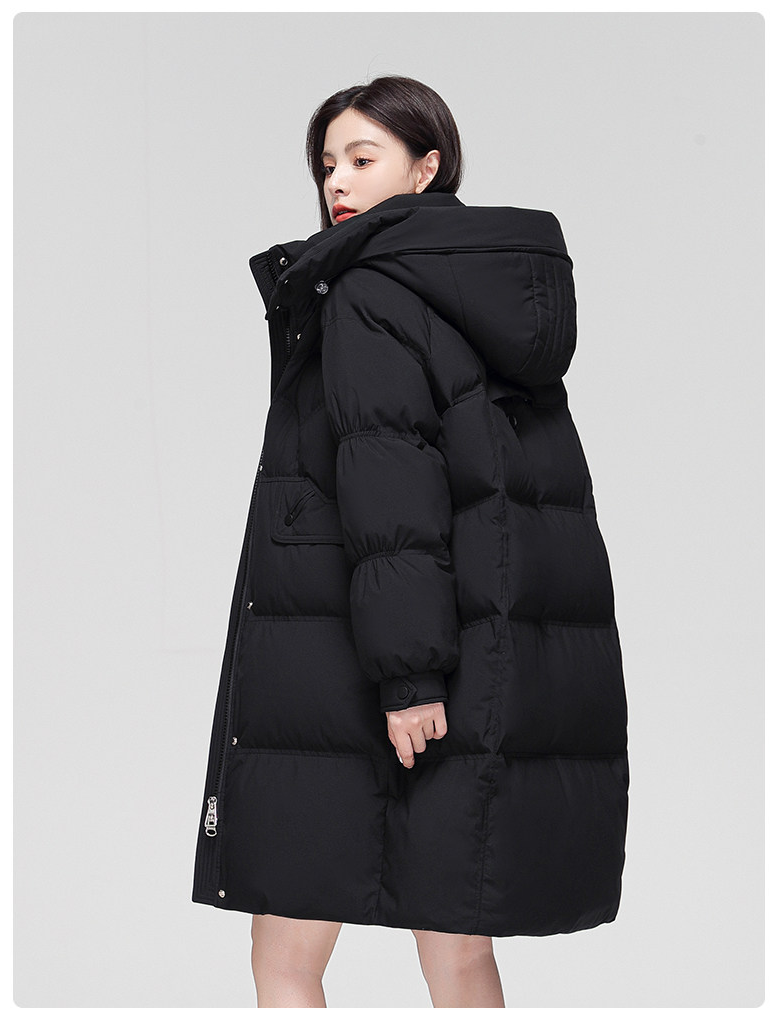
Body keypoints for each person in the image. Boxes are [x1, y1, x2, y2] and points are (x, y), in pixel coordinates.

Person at [192, 75, 629, 1009]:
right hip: (476, 649)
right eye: (327, 164)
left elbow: (391, 493)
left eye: (363, 158)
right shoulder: (480, 287)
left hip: (359, 662)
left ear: (428, 168)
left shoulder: (366, 290)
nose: (337, 184)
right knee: (457, 944)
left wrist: (408, 677)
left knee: (286, 954)